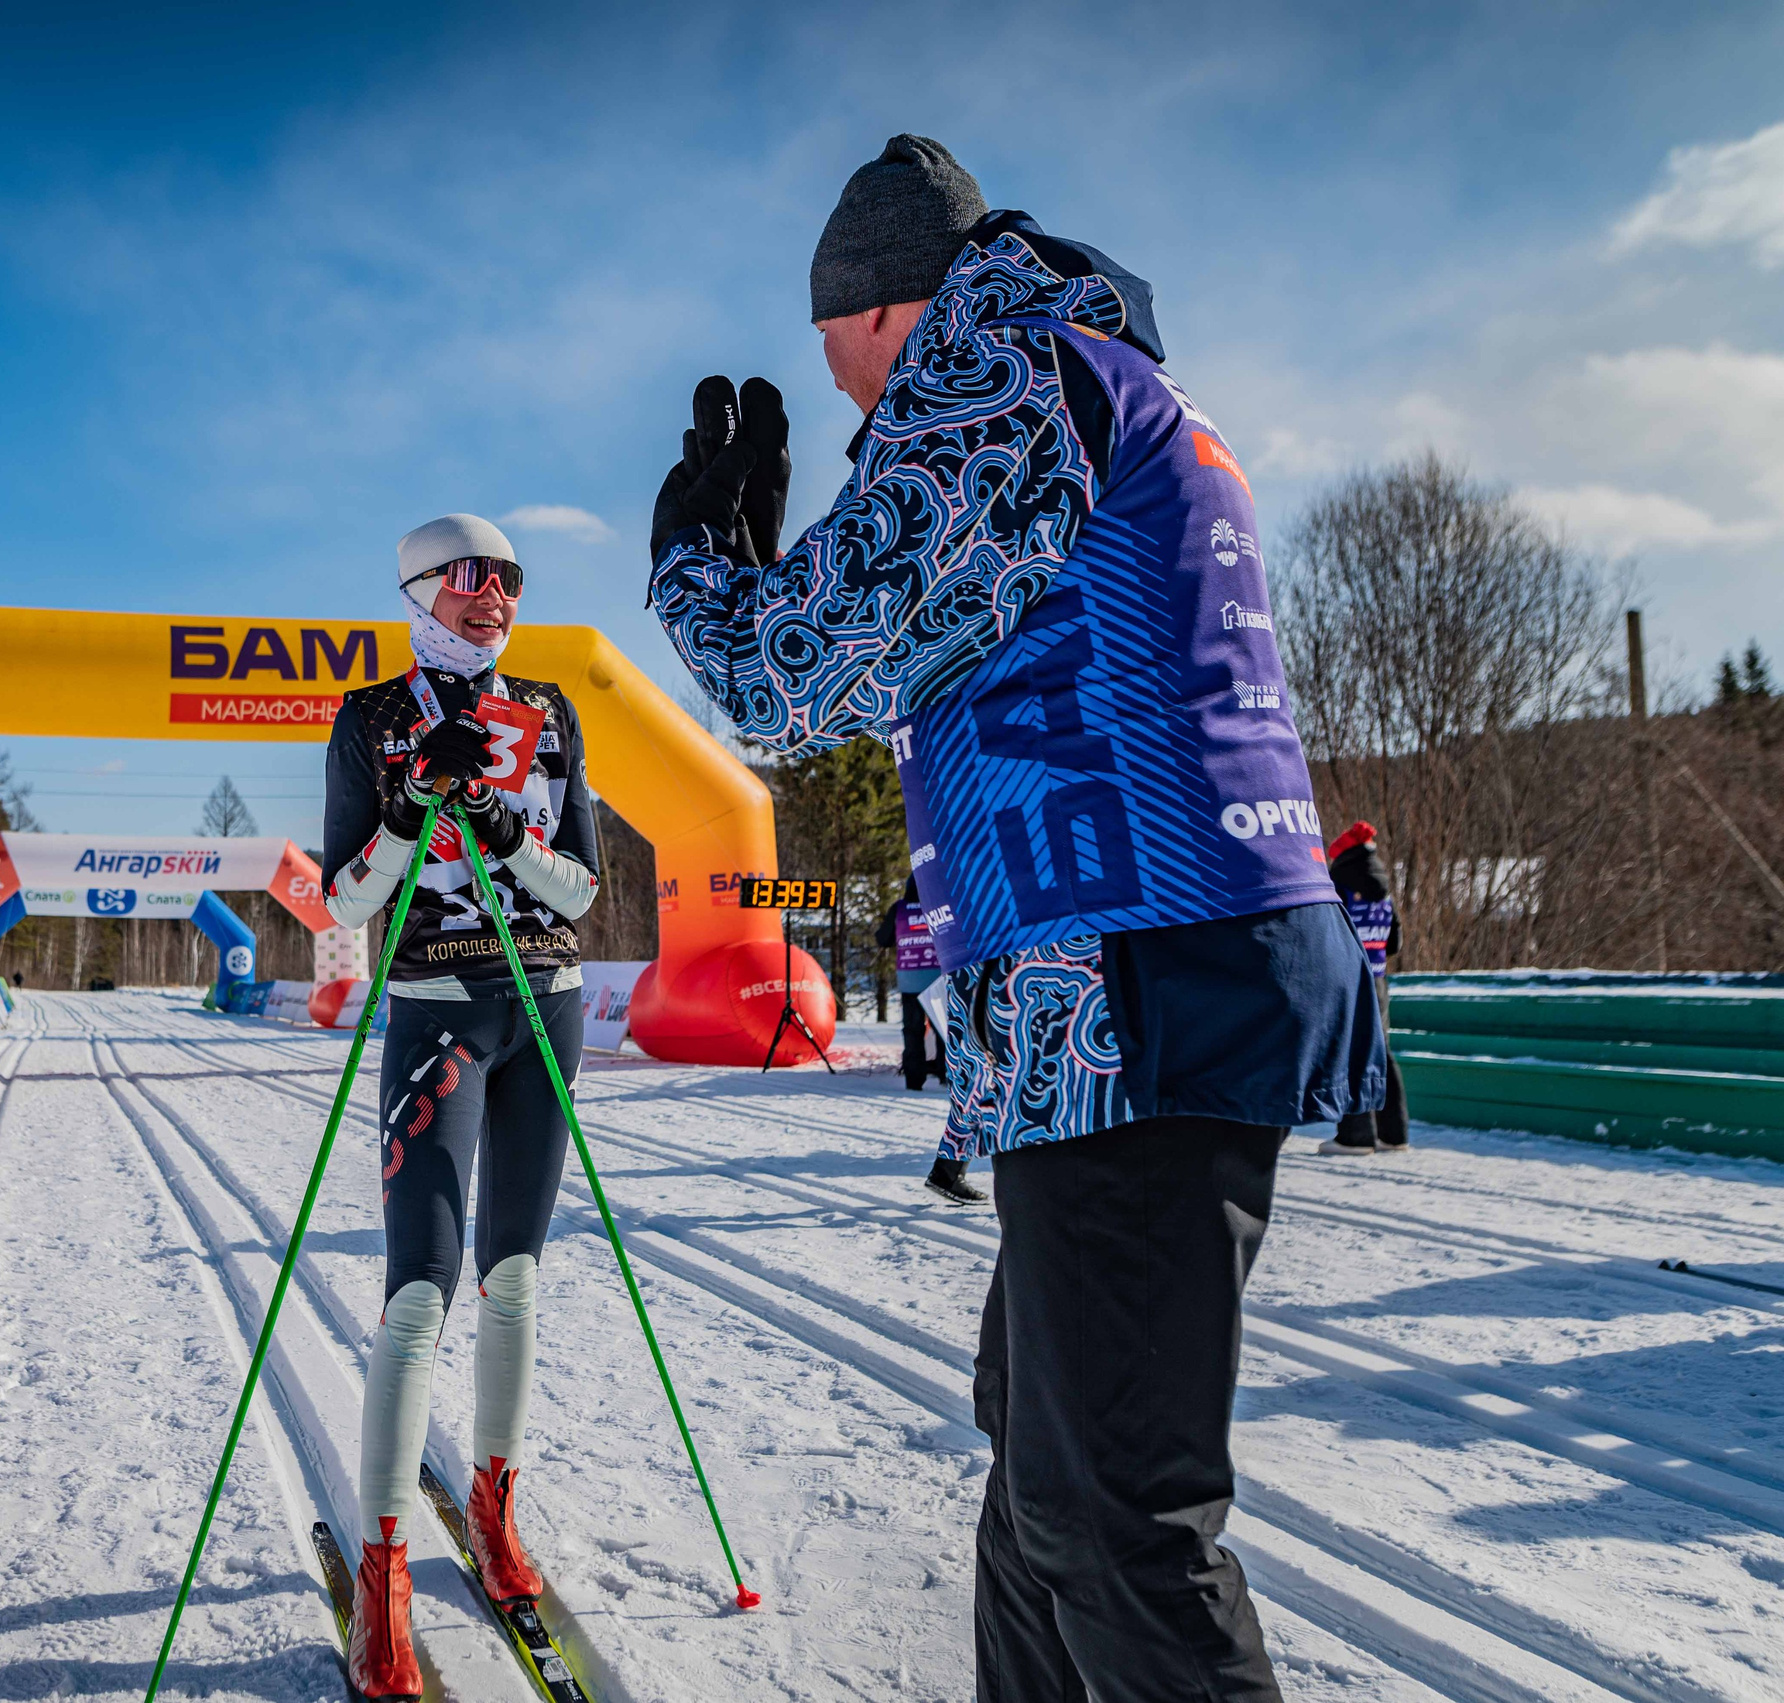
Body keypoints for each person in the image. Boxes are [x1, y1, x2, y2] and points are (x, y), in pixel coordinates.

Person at [648, 136, 1381, 1702]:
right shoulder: (1060, 370)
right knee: (1041, 1479)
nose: (841, 393)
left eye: (834, 346)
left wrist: (699, 571)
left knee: (1115, 1515)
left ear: (884, 310)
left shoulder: (998, 374)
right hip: (1112, 987)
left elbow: (800, 673)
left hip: (1138, 974)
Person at [320, 513, 603, 1700]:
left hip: (547, 999)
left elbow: (582, 888)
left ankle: (492, 1506)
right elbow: (343, 902)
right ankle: (384, 1567)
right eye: (471, 577)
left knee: (518, 1277)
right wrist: (406, 815)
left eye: (512, 579)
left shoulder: (548, 704)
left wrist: (504, 827)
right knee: (420, 1291)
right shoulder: (372, 718)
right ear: (417, 589)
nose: (495, 595)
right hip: (437, 1003)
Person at [876, 881, 982, 1204]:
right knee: (945, 1033)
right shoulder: (941, 903)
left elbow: (882, 938)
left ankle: (914, 1079)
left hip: (909, 979)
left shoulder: (899, 909)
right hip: (939, 977)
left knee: (912, 1033)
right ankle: (944, 1074)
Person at [1319, 821, 1408, 1155]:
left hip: (1348, 979)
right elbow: (1394, 941)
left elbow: (1329, 931)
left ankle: (1355, 1136)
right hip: (1378, 979)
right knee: (1381, 1053)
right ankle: (1393, 1134)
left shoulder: (1337, 885)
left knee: (1350, 1052)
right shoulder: (1384, 889)